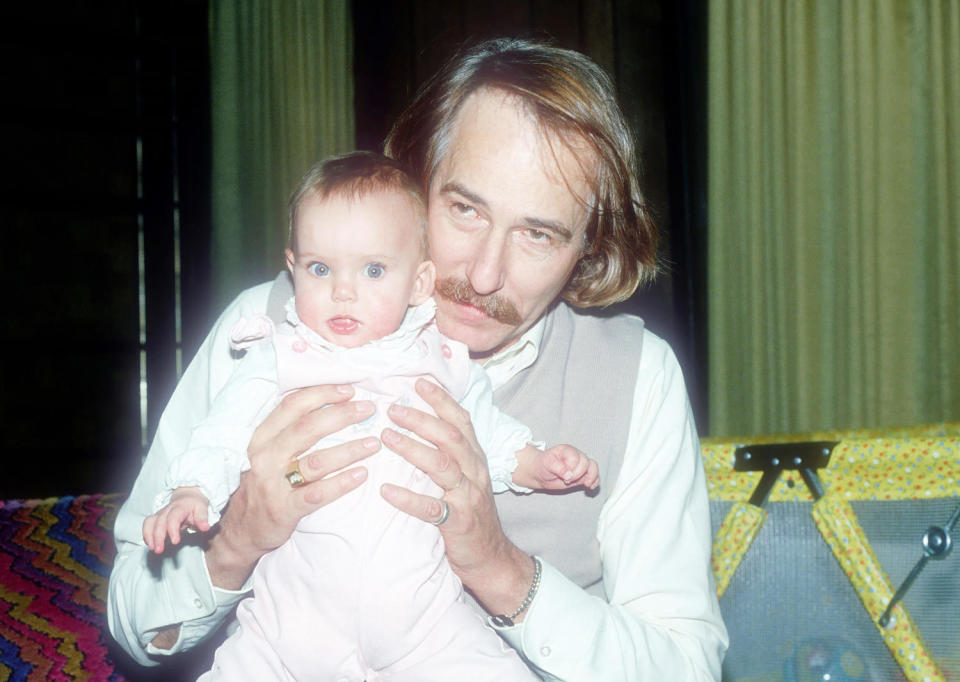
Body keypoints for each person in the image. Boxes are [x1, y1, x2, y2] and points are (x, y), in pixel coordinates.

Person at [108, 38, 728, 681]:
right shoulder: (268, 329)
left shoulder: (637, 376)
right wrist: (235, 542)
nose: (485, 274)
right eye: (464, 209)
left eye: (538, 234)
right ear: (414, 176)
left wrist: (500, 568)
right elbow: (132, 617)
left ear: (587, 251)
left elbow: (686, 668)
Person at [140, 151, 597, 680]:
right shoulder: (280, 356)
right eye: (319, 268)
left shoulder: (442, 359)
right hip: (288, 625)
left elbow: (487, 437)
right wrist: (191, 491)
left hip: (425, 625)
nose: (343, 290)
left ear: (420, 282)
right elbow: (220, 432)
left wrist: (536, 464)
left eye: (374, 270)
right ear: (292, 269)